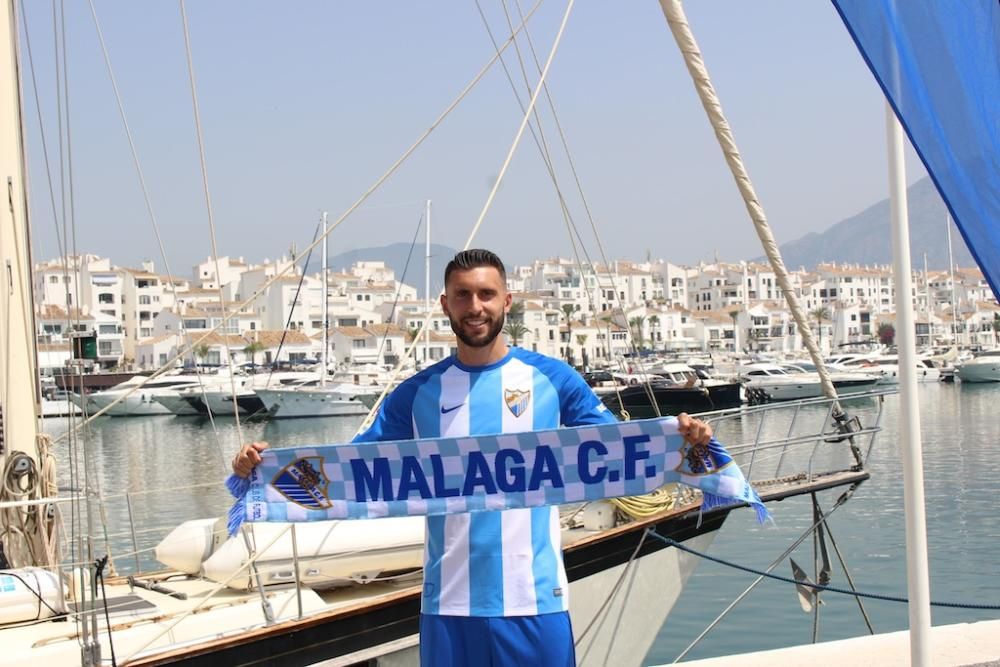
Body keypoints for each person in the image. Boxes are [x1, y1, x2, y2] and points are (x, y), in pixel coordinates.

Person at [232, 249, 713, 666]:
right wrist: (262, 472)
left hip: (534, 601)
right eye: (462, 295)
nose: (475, 307)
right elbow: (349, 468)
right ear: (445, 305)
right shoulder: (417, 394)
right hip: (449, 606)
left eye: (486, 294)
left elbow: (622, 448)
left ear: (507, 301)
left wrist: (685, 441)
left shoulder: (553, 379)